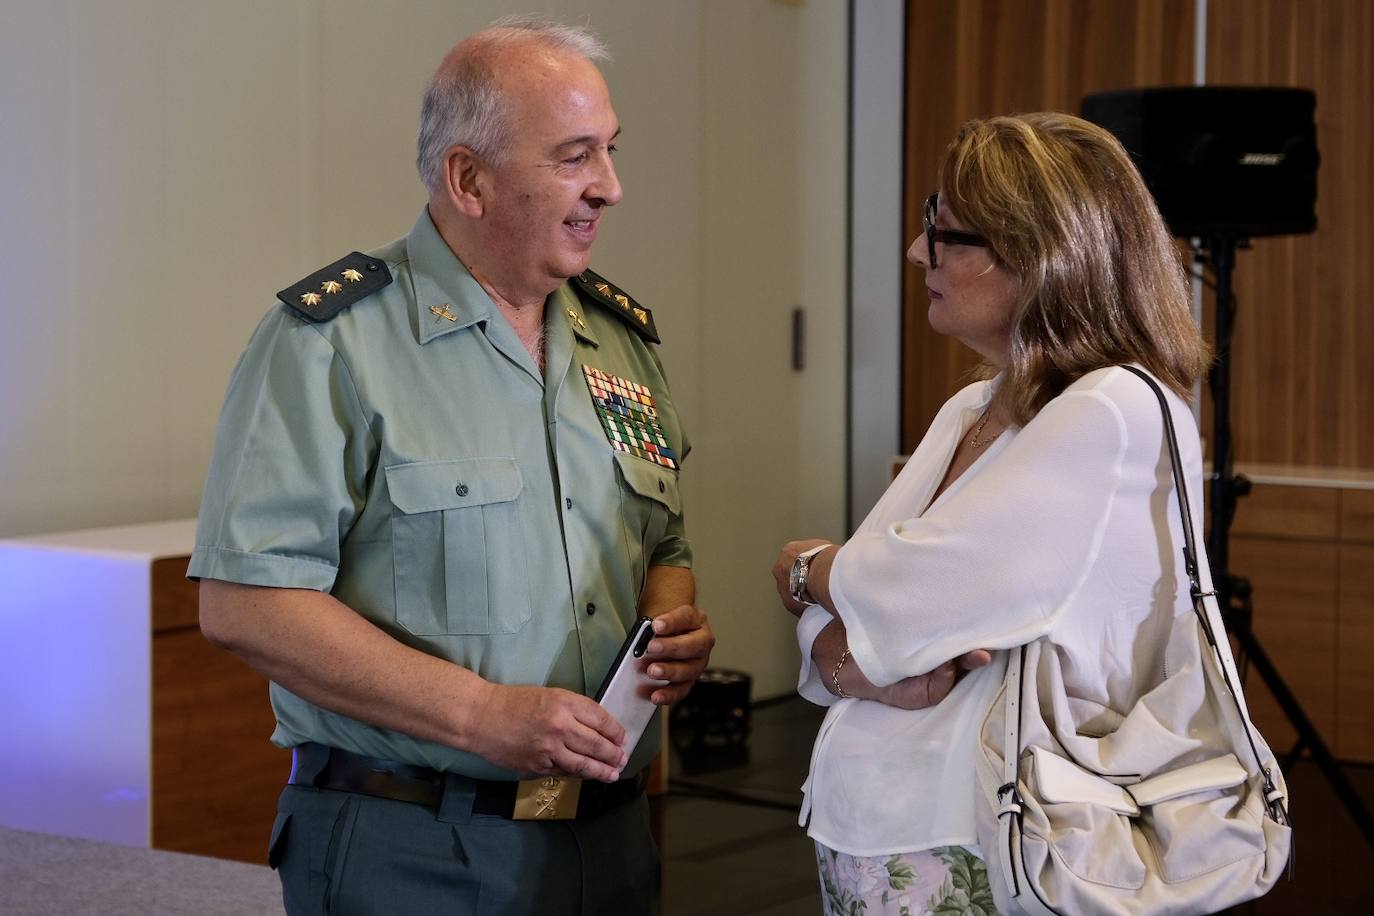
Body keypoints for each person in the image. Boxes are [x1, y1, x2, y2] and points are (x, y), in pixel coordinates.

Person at [190, 16, 713, 915]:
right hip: (414, 846)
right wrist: (482, 716)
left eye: (611, 151)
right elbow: (247, 603)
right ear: (469, 178)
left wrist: (668, 636)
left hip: (611, 839)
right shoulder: (331, 344)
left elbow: (662, 542)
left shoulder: (620, 343)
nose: (611, 188)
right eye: (575, 157)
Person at [772, 112, 1210, 915]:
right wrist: (843, 636)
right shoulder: (971, 406)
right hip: (876, 828)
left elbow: (895, 590)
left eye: (943, 233)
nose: (917, 253)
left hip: (995, 837)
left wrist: (803, 570)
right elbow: (874, 612)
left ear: (1035, 254)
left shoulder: (1114, 408)